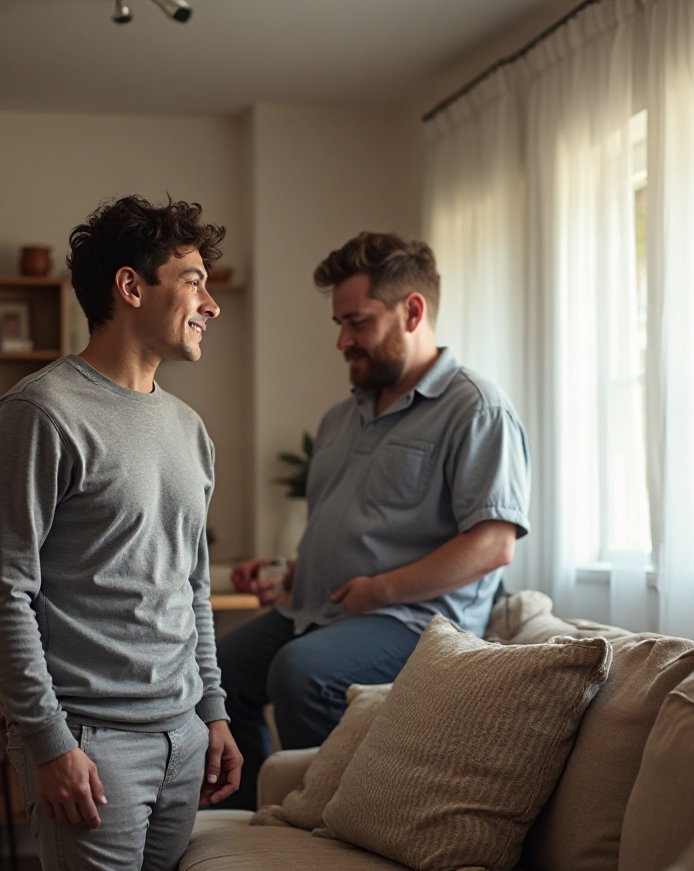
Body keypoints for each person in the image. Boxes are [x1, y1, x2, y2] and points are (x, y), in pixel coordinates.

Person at [0, 194, 243, 871]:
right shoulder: (38, 413)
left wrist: (216, 713)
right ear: (131, 286)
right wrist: (48, 743)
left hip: (183, 737)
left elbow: (190, 586)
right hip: (91, 744)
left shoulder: (190, 430)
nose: (211, 302)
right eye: (193, 280)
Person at [218, 231, 531, 810]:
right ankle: (254, 821)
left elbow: (492, 544)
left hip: (414, 621)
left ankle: (331, 829)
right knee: (214, 670)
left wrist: (380, 590)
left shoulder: (476, 409)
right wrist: (287, 577)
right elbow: (349, 529)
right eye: (339, 323)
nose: (342, 340)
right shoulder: (343, 418)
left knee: (301, 672)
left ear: (412, 311)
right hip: (321, 609)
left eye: (357, 322)